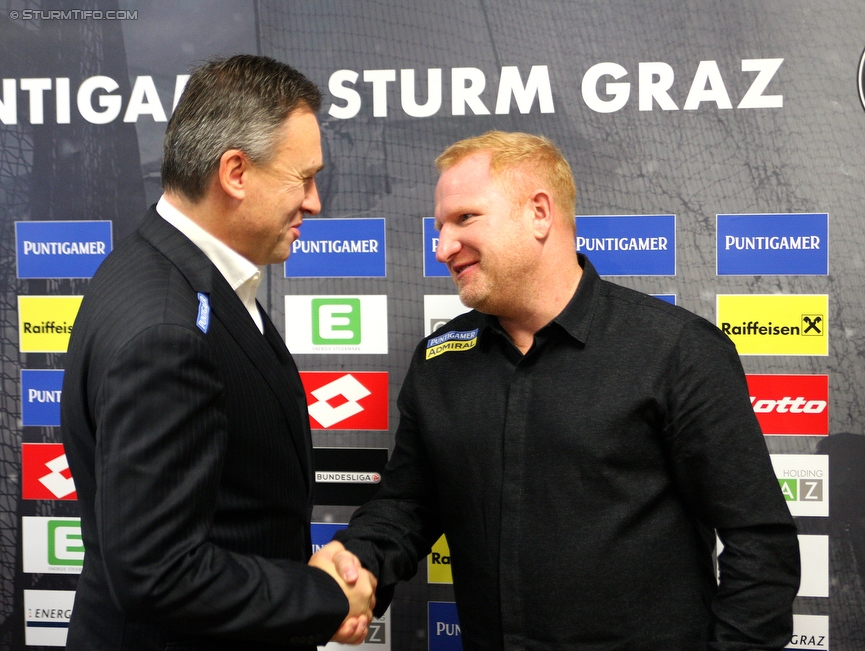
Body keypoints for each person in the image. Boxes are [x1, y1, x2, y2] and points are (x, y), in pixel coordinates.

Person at [328, 131, 801, 649]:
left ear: (539, 213)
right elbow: (408, 503)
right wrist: (355, 568)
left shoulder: (676, 350)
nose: (442, 247)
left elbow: (760, 544)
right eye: (440, 226)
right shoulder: (440, 360)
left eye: (465, 219)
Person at [60, 55, 376, 650]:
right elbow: (159, 571)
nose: (315, 202)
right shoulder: (167, 327)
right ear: (235, 172)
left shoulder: (176, 269)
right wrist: (324, 597)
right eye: (303, 178)